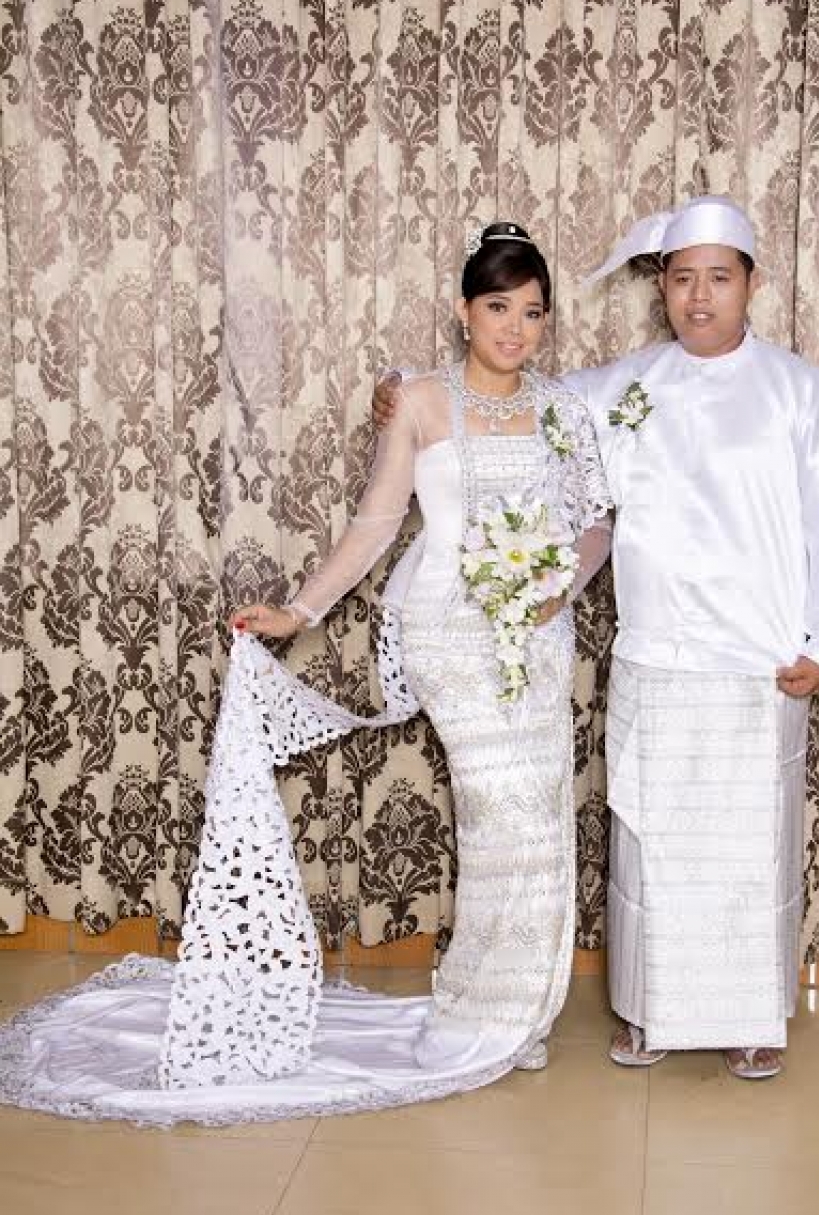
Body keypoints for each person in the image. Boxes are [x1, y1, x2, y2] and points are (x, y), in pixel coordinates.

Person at [0, 223, 611, 1124]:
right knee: (499, 813)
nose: (515, 328)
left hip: (538, 635)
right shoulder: (420, 401)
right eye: (497, 308)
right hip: (450, 633)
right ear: (463, 311)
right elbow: (375, 524)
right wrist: (299, 610)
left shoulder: (564, 408)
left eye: (532, 313)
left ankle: (515, 1009)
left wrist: (562, 586)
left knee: (539, 816)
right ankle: (488, 1009)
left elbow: (596, 519)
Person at [373, 195, 819, 1081]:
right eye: (683, 279)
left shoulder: (802, 392)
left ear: (751, 284)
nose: (699, 297)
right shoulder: (622, 388)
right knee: (653, 842)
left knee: (748, 848)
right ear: (662, 289)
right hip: (656, 654)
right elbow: (508, 389)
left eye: (719, 279)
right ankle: (651, 1013)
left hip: (760, 660)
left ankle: (752, 1017)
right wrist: (402, 383)